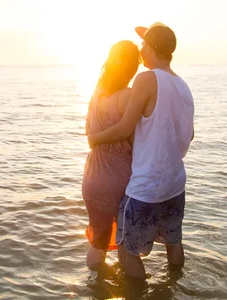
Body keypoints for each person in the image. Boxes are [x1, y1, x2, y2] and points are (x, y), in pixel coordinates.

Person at [87, 22, 194, 280]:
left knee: (128, 250)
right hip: (175, 182)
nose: (141, 50)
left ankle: (137, 293)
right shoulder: (183, 86)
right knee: (173, 240)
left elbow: (125, 127)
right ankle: (174, 287)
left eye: (145, 45)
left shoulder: (146, 79)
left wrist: (94, 139)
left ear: (154, 47)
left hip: (147, 185)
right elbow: (189, 135)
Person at [82, 40, 141, 269]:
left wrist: (97, 140)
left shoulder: (97, 91)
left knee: (98, 241)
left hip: (92, 176)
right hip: (119, 176)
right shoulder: (128, 96)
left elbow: (88, 130)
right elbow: (136, 141)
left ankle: (95, 287)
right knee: (126, 244)